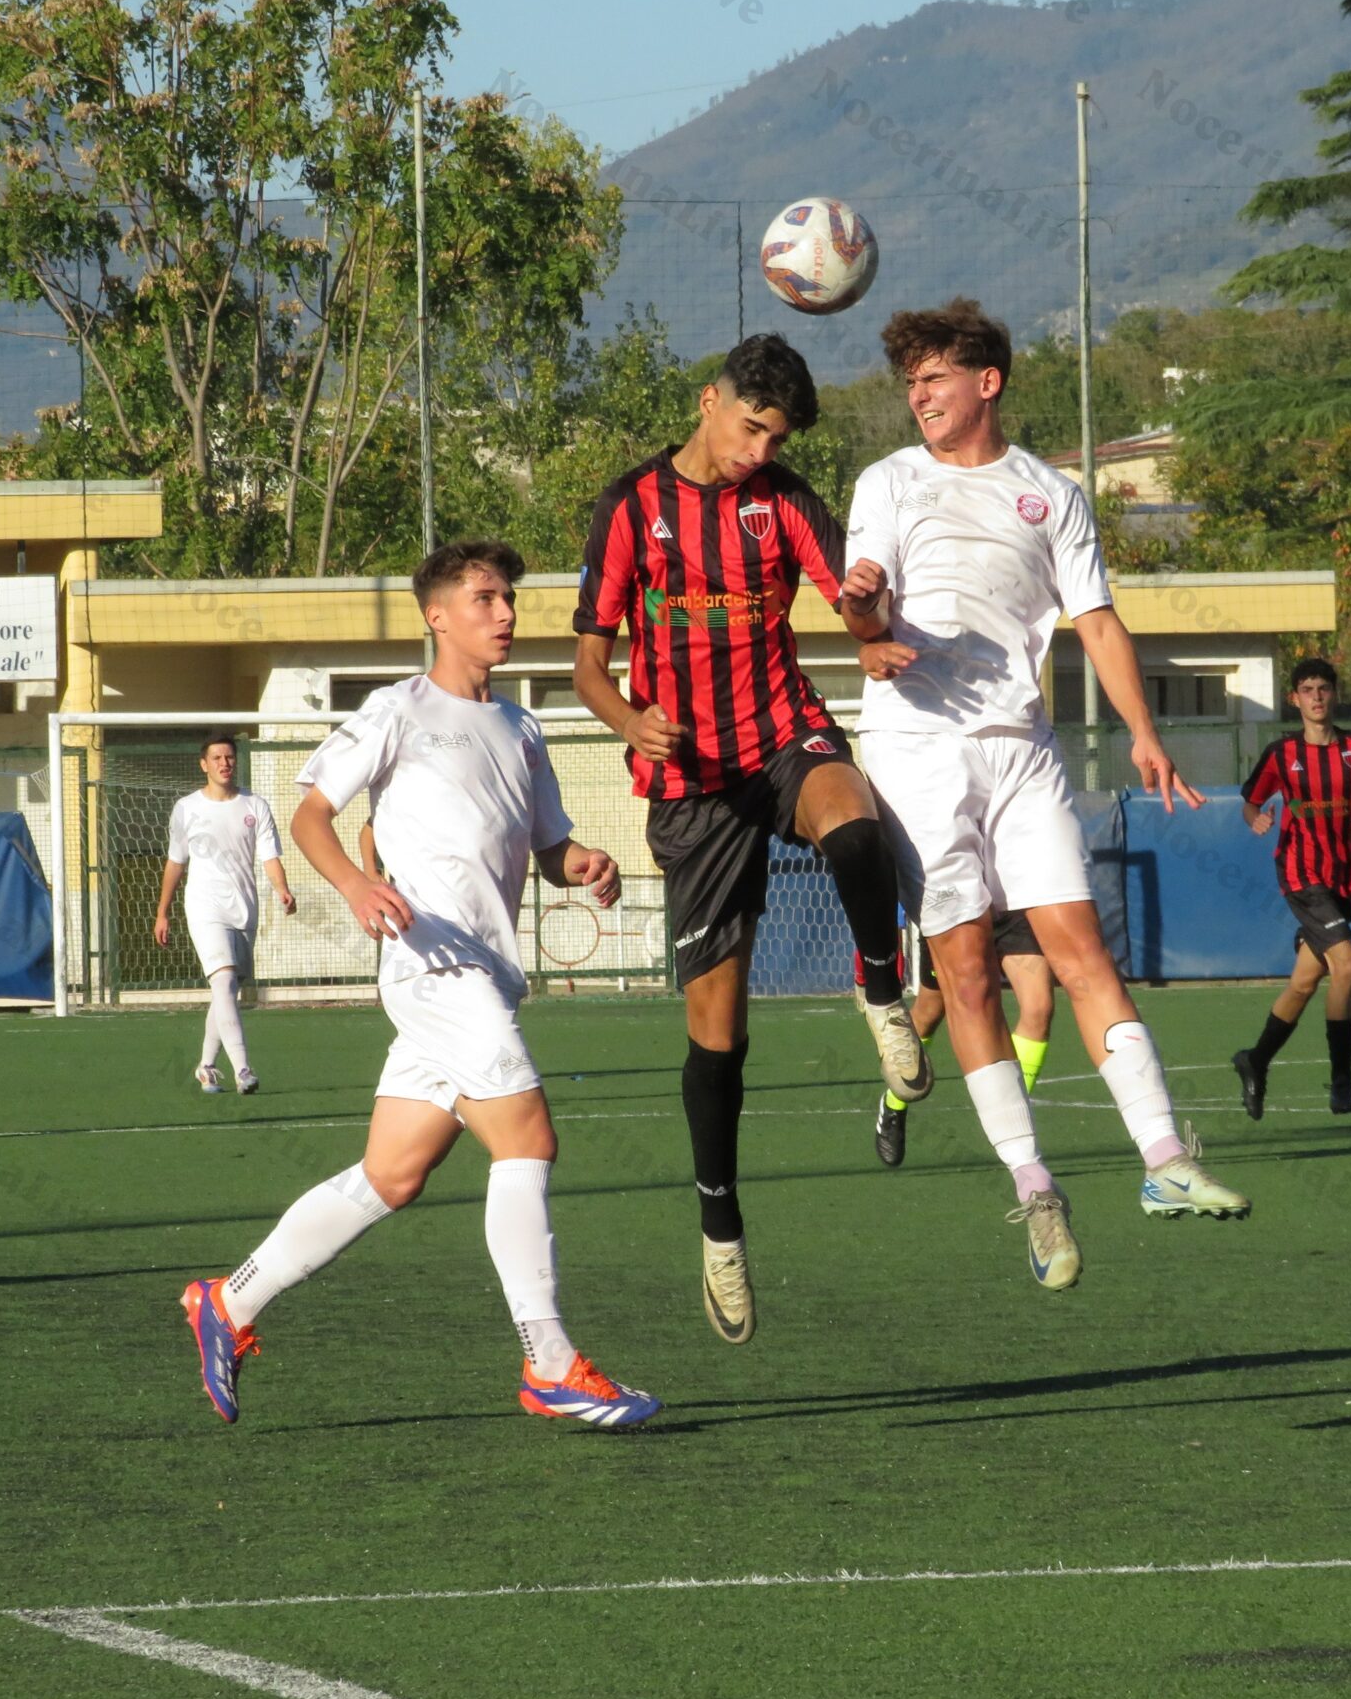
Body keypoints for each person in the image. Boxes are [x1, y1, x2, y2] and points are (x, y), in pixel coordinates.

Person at [182, 541, 659, 1430]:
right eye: (485, 599)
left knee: (392, 1175)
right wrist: (357, 885)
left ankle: (229, 1300)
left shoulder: (521, 727)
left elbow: (548, 845)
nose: (506, 613)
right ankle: (550, 1363)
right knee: (527, 1143)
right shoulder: (395, 711)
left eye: (509, 598)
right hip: (433, 965)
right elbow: (311, 811)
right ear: (438, 615)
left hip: (485, 972)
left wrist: (580, 859)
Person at [844, 297, 1248, 1293]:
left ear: (987, 382)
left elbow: (1098, 623)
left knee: (1079, 951)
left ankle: (1163, 1163)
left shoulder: (1051, 492)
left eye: (934, 379)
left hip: (1023, 749)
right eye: (909, 383)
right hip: (917, 749)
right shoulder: (889, 480)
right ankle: (1034, 1190)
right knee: (969, 971)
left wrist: (1144, 734)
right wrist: (863, 616)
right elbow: (863, 595)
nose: (918, 397)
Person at [571, 333, 919, 1346]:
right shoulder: (632, 504)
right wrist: (628, 720)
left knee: (852, 818)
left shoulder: (787, 500)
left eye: (778, 436)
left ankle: (881, 988)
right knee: (718, 1033)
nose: (760, 451)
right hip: (690, 782)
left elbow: (857, 622)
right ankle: (719, 1225)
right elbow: (588, 660)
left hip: (778, 732)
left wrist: (866, 610)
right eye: (752, 427)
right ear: (708, 399)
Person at [1231, 659, 1351, 1118]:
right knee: (1348, 964)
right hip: (1302, 876)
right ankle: (1341, 1081)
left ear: (1335, 694)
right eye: (1307, 689)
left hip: (1345, 878)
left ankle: (1254, 1060)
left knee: (1305, 982)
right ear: (1295, 699)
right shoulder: (1282, 754)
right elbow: (1251, 801)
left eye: (1324, 688)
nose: (1317, 696)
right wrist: (1257, 818)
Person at [153, 733, 296, 1095]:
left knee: (228, 991)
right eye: (216, 758)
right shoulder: (187, 808)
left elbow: (268, 855)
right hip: (205, 906)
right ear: (204, 765)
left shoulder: (255, 806)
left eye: (229, 757)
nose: (224, 763)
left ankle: (206, 1066)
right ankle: (243, 1069)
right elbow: (176, 861)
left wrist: (281, 887)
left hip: (245, 907)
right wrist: (162, 912)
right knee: (223, 982)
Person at [880, 916, 1058, 1169]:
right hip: (957, 908)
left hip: (1013, 905)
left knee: (1039, 1008)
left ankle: (1015, 1129)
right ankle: (894, 1102)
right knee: (930, 1011)